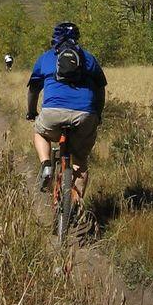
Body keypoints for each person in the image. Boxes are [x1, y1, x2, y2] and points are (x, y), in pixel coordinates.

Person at [26, 21, 107, 199]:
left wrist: (31, 112)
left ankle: (46, 164)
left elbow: (33, 89)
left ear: (54, 39)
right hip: (85, 115)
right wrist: (97, 114)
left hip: (52, 113)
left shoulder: (46, 58)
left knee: (40, 132)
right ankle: (75, 211)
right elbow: (101, 89)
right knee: (80, 162)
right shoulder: (88, 59)